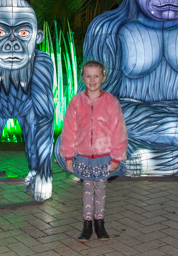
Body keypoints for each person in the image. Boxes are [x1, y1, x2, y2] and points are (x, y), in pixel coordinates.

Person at [60, 61, 128, 242]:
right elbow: (69, 129)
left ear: (103, 77)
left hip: (104, 156)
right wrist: (68, 154)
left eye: (96, 76)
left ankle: (100, 224)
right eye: (88, 76)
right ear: (82, 77)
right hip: (83, 156)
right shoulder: (76, 102)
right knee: (87, 190)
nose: (92, 80)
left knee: (101, 190)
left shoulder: (111, 102)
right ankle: (87, 225)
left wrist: (116, 157)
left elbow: (118, 130)